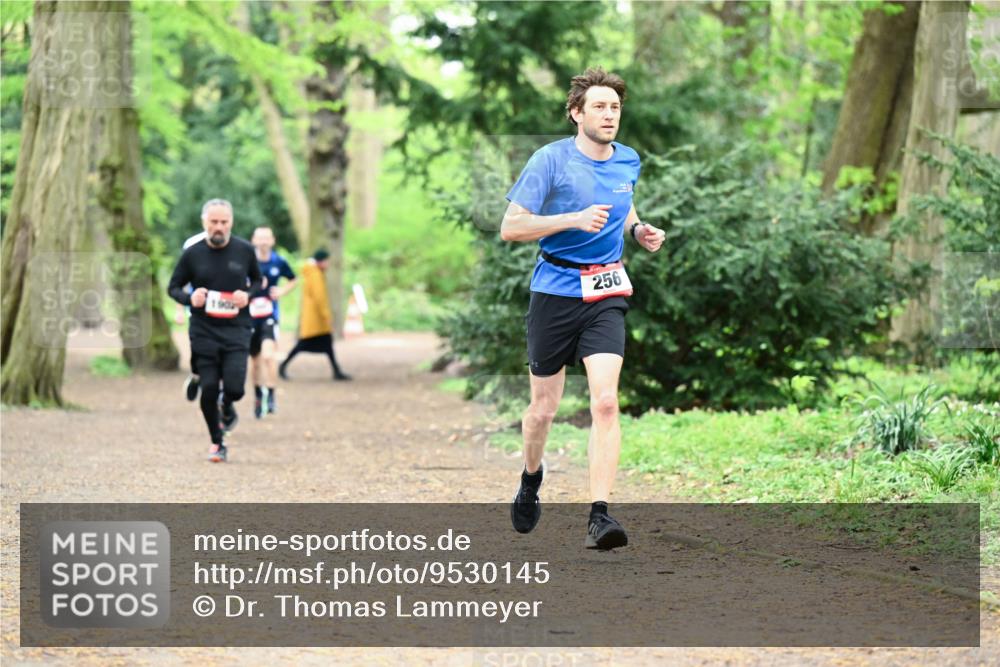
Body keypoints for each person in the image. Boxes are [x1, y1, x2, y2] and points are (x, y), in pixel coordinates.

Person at [500, 68, 665, 549]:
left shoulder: (628, 160)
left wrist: (637, 231)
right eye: (599, 106)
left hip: (606, 291)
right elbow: (512, 226)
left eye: (614, 107)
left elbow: (624, 204)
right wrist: (572, 219)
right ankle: (531, 478)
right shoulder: (549, 160)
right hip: (554, 291)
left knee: (606, 401)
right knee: (542, 410)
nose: (609, 114)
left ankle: (600, 516)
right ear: (576, 113)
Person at [168, 199, 262, 462]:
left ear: (231, 222)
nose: (218, 227)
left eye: (223, 222)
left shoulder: (244, 250)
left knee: (235, 388)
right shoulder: (193, 253)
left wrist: (248, 294)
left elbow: (257, 280)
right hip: (204, 329)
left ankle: (227, 404)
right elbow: (173, 286)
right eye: (213, 222)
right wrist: (190, 298)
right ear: (204, 223)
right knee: (209, 389)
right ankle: (217, 442)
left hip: (236, 329)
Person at [278, 249, 352, 381]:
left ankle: (336, 370)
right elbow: (320, 298)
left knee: (326, 345)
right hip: (316, 319)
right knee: (303, 345)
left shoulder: (312, 272)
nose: (328, 264)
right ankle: (283, 365)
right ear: (322, 262)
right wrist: (327, 316)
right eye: (327, 261)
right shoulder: (315, 274)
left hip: (314, 317)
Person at [248, 226, 298, 418]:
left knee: (269, 356)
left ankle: (271, 396)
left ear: (272, 240)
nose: (263, 242)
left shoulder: (279, 261)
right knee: (255, 361)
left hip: (270, 316)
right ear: (254, 241)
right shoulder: (247, 260)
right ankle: (258, 395)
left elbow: (293, 279)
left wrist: (282, 291)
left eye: (266, 238)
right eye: (259, 238)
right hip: (250, 317)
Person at [179, 230, 208, 401]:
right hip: (196, 312)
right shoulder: (192, 244)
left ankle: (219, 394)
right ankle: (196, 376)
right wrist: (179, 310)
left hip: (223, 315)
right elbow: (181, 282)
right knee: (199, 350)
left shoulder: (230, 244)